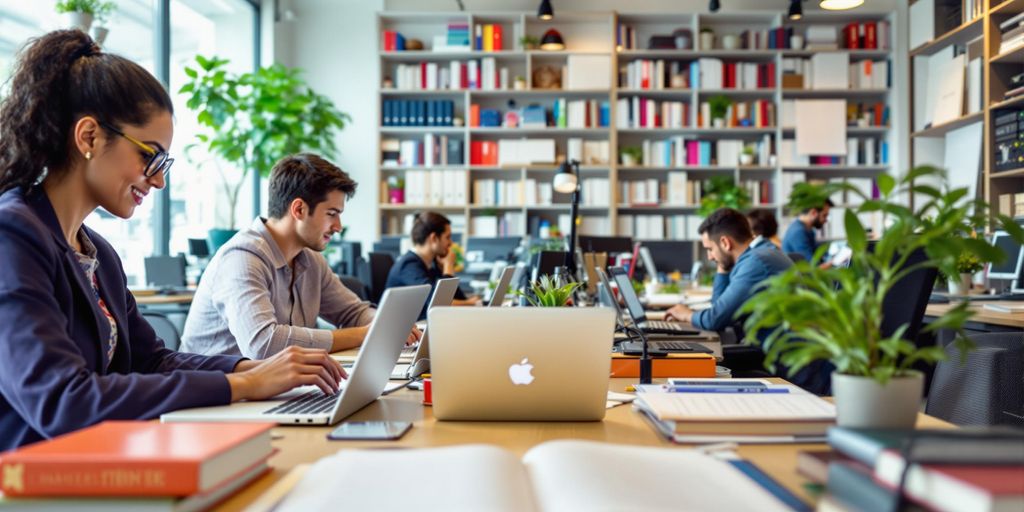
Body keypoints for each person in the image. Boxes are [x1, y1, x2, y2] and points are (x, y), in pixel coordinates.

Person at [0, 31, 343, 451]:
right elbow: (63, 402)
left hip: (100, 457)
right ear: (89, 137)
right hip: (33, 477)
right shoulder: (12, 236)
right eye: (151, 156)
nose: (160, 180)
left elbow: (151, 361)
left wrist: (254, 367)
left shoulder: (98, 254)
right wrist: (243, 384)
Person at [181, 154, 418, 358]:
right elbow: (264, 345)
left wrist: (388, 323)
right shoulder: (242, 259)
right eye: (332, 214)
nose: (338, 226)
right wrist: (364, 334)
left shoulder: (310, 260)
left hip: (271, 392)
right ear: (299, 210)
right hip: (213, 400)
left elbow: (353, 313)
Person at [664, 208, 791, 333]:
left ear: (725, 243)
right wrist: (723, 266)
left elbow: (714, 319)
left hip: (770, 351)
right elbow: (719, 309)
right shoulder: (762, 252)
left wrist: (686, 315)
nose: (710, 257)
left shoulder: (755, 263)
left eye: (710, 249)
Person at [385, 211, 480, 319]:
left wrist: (445, 269)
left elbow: (458, 297)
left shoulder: (431, 263)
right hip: (410, 330)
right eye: (447, 237)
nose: (451, 243)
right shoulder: (409, 266)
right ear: (434, 238)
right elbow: (439, 304)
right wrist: (448, 266)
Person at [782, 199, 833, 266]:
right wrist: (835, 262)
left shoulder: (808, 229)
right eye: (824, 215)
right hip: (802, 275)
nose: (826, 220)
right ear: (813, 213)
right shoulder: (798, 233)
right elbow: (813, 268)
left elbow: (817, 252)